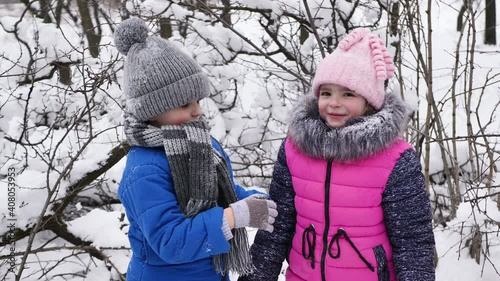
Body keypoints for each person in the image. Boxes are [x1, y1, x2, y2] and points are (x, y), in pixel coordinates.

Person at [239, 28, 435, 281]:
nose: (334, 103)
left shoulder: (395, 159)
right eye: (326, 92)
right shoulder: (294, 148)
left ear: (369, 101)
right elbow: (276, 226)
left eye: (348, 94)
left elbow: (413, 242)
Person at [114, 18, 278, 281]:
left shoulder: (199, 142)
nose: (197, 110)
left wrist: (253, 200)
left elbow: (220, 193)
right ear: (152, 110)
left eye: (198, 100)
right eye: (184, 104)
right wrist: (234, 216)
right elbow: (171, 242)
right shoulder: (144, 170)